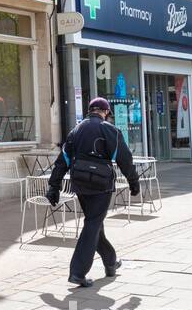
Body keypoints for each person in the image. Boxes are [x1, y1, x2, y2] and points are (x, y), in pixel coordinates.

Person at [48, 98, 140, 288]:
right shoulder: (109, 129)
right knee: (92, 224)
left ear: (90, 110)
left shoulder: (76, 131)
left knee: (95, 223)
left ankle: (110, 261)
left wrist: (54, 186)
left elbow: (62, 160)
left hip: (80, 184)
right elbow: (124, 158)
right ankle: (77, 272)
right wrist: (134, 181)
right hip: (101, 185)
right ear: (105, 112)